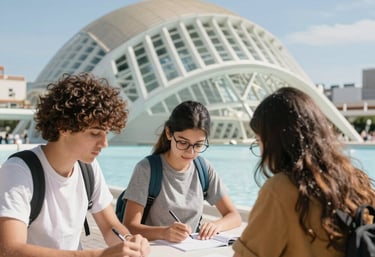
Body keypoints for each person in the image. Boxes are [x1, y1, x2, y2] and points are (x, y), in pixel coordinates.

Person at [0, 73, 150, 257]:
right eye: (95, 133)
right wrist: (98, 255)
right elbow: (9, 249)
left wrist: (129, 241)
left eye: (106, 134)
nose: (105, 143)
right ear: (64, 127)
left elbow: (110, 226)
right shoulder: (19, 170)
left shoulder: (88, 168)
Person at [232, 87, 375, 257]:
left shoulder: (281, 189)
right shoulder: (357, 180)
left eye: (259, 140)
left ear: (276, 142)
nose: (261, 150)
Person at [123, 100, 242, 243]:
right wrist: (164, 233)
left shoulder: (204, 168)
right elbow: (129, 227)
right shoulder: (146, 169)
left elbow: (234, 216)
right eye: (183, 142)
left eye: (198, 145)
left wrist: (215, 226)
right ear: (168, 133)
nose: (190, 152)